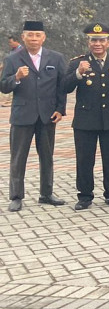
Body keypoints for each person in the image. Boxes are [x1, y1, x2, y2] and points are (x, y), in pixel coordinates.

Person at [1, 21, 67, 211]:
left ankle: (46, 193)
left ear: (44, 37)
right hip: (23, 115)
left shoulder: (56, 58)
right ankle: (16, 196)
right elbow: (4, 86)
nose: (34, 39)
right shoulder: (13, 59)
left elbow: (61, 87)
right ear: (23, 37)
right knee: (18, 157)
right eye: (30, 35)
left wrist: (60, 109)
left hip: (47, 115)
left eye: (38, 35)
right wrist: (17, 78)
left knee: (47, 156)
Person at [65, 23, 109, 210]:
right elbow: (64, 87)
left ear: (108, 42)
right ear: (88, 42)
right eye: (94, 40)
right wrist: (78, 73)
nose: (97, 44)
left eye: (101, 40)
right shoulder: (77, 62)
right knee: (84, 160)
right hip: (85, 120)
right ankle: (84, 196)